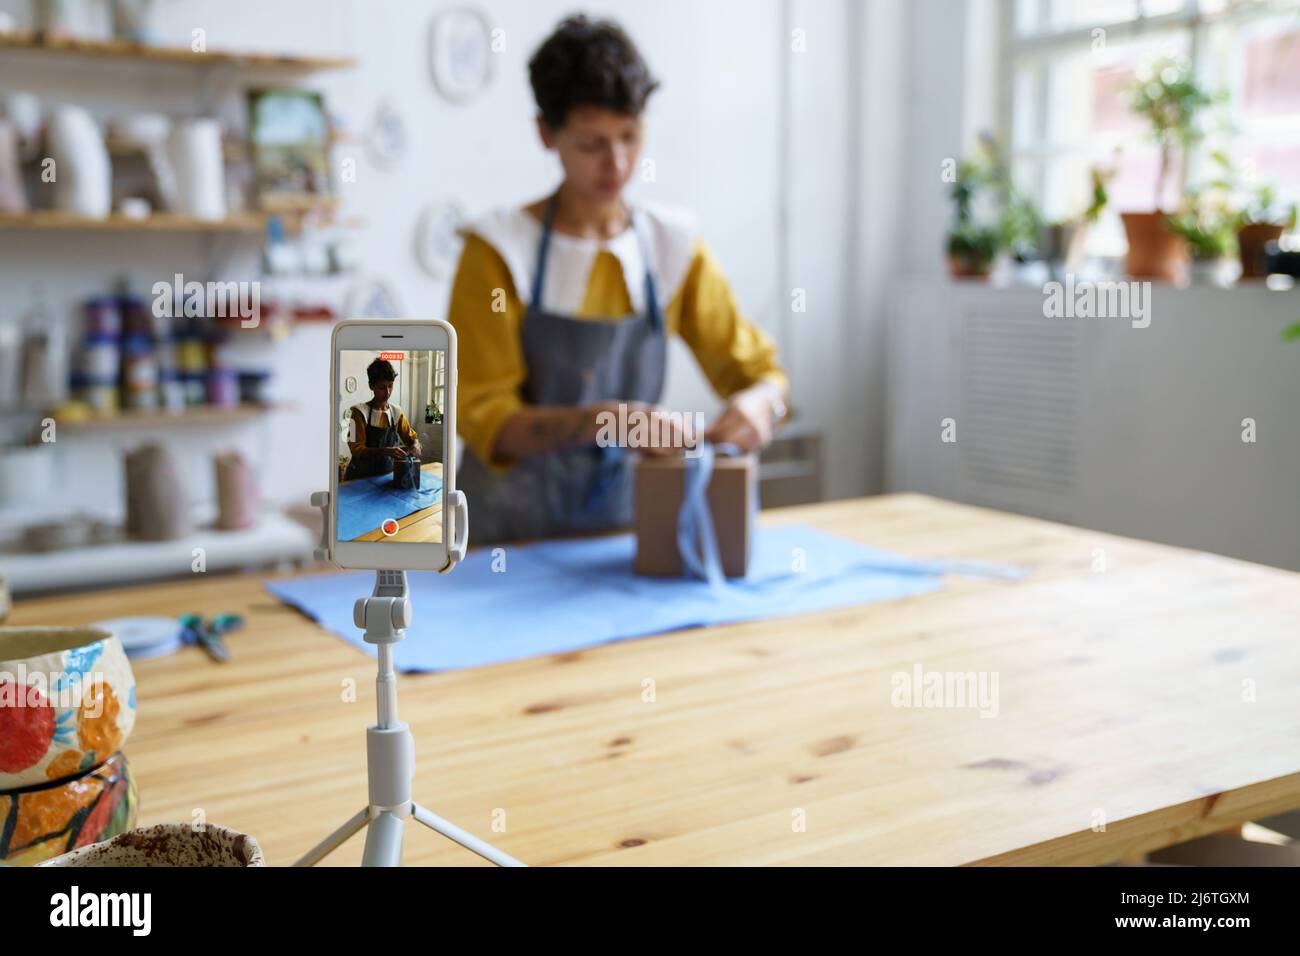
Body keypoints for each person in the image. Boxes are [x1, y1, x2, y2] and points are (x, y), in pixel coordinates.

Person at [449, 14, 789, 543]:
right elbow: (484, 417)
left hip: (629, 541)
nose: (617, 163)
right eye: (591, 144)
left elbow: (760, 376)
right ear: (546, 133)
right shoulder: (496, 252)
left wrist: (761, 404)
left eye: (630, 136)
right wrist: (607, 421)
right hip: (506, 542)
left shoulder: (670, 249)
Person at [344, 358, 422, 480]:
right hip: (359, 478)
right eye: (382, 387)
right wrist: (385, 451)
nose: (387, 392)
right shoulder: (357, 413)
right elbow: (356, 449)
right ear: (371, 386)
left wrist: (415, 445)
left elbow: (412, 438)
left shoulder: (397, 413)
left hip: (385, 477)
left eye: (390, 386)